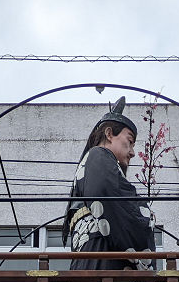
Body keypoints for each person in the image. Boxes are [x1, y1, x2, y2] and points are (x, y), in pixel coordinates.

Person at [65, 97, 156, 269]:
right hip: (101, 259)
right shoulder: (98, 155)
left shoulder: (95, 162)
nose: (133, 152)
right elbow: (115, 202)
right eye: (129, 142)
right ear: (109, 134)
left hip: (94, 259)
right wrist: (145, 215)